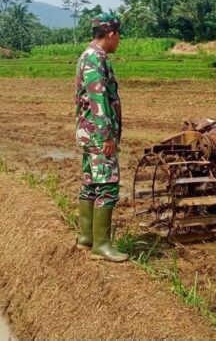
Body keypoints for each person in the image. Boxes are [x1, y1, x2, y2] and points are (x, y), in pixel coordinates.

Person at [74, 13, 128, 262]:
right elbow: (98, 100)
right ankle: (102, 245)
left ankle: (87, 237)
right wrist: (107, 135)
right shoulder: (95, 58)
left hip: (89, 133)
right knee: (107, 184)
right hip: (98, 134)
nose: (118, 41)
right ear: (112, 34)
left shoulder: (89, 55)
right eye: (119, 36)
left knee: (90, 183)